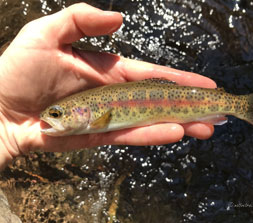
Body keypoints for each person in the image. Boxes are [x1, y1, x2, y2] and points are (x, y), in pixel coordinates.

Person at [0, 3, 216, 170]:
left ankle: (236, 106)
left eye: (56, 114)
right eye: (56, 114)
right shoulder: (88, 114)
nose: (50, 118)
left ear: (81, 110)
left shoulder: (93, 117)